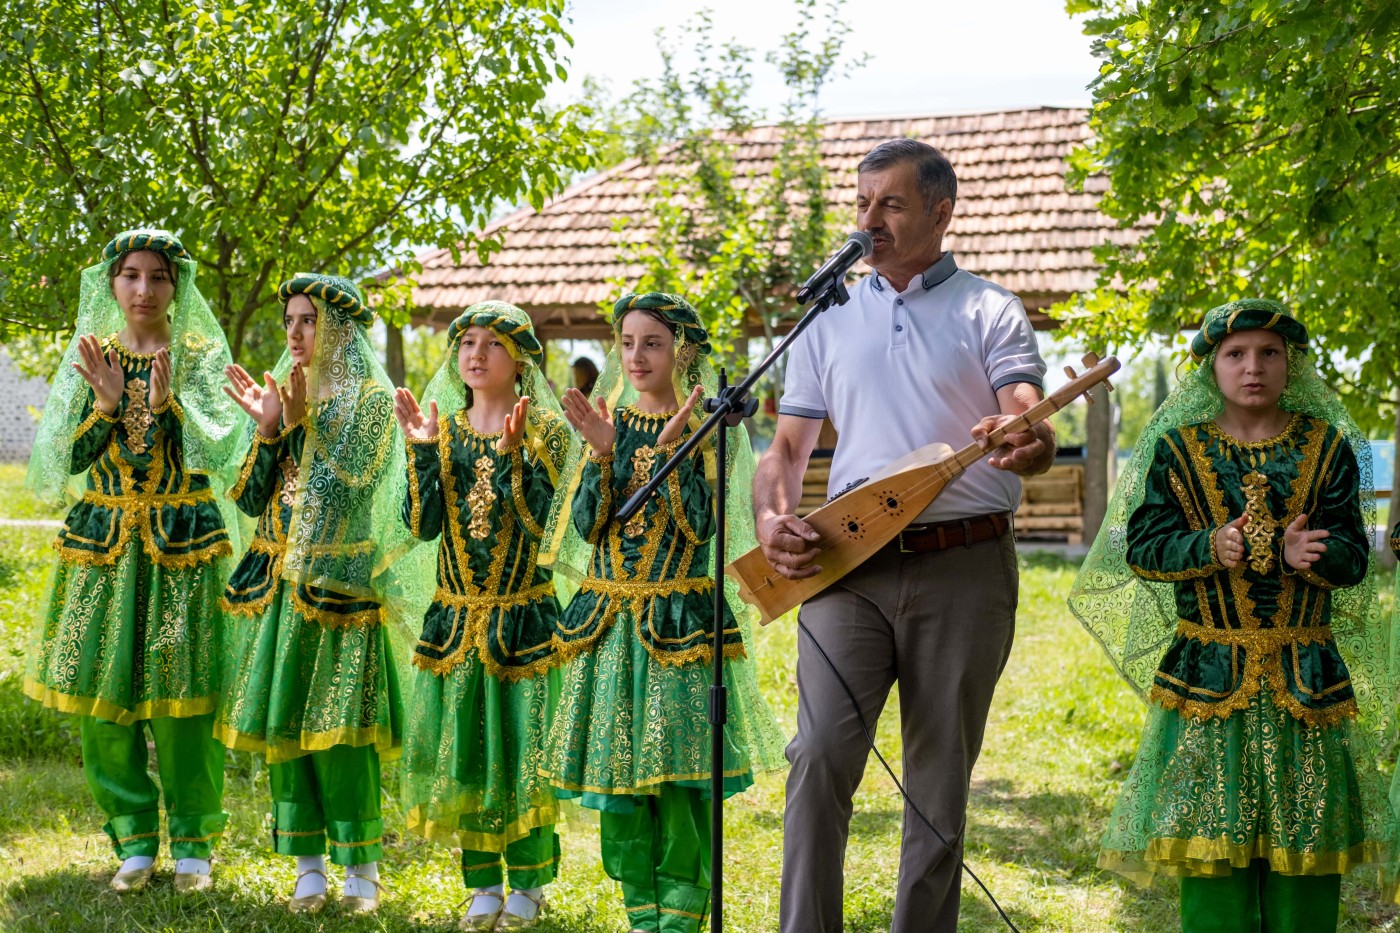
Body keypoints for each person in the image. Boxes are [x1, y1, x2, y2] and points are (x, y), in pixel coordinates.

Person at [752, 139, 1054, 932]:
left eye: (889, 202)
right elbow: (786, 449)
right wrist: (773, 518)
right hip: (846, 562)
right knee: (817, 754)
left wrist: (1029, 437)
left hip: (965, 564)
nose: (869, 218)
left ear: (940, 212)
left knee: (937, 782)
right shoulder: (828, 317)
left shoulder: (990, 307)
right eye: (861, 202)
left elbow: (1027, 412)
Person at [1068, 300, 1400, 931]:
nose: (1254, 368)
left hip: (1307, 678)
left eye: (1269, 353)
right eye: (1236, 354)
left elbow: (1357, 555)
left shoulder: (1327, 446)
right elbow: (1141, 546)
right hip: (1207, 678)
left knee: (1308, 850)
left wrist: (1313, 555)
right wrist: (1208, 547)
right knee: (1211, 849)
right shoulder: (1176, 450)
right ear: (1211, 367)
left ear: (1290, 364)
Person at [539, 292, 786, 933]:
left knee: (679, 780)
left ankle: (679, 922)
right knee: (619, 781)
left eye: (652, 343)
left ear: (683, 351)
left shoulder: (708, 429)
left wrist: (666, 451)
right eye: (627, 343)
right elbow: (590, 526)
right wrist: (601, 451)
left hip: (677, 624)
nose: (637, 355)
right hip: (611, 626)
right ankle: (641, 919)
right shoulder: (605, 420)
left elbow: (702, 526)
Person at [23, 229, 242, 893]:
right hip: (103, 546)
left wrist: (170, 403)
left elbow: (225, 445)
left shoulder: (200, 355)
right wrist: (109, 404)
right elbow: (64, 455)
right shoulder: (91, 355)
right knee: (102, 700)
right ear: (112, 284)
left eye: (158, 276)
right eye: (131, 276)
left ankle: (196, 846)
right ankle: (136, 842)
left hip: (184, 543)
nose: (144, 289)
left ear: (177, 287)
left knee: (186, 698)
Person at [214, 273, 428, 913]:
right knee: (285, 725)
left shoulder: (370, 398)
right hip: (282, 590)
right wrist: (271, 427)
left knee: (342, 732)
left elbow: (351, 489)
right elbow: (251, 497)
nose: (296, 333)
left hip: (342, 592)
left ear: (340, 327)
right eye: (290, 322)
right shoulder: (282, 393)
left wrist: (306, 428)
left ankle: (361, 867)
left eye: (309, 320)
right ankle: (307, 864)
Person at [394, 301, 571, 930]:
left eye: (492, 344)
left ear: (520, 359)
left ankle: (527, 883)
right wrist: (418, 452)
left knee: (524, 751)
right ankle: (481, 886)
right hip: (455, 623)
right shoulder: (442, 431)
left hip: (523, 621)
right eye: (466, 342)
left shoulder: (548, 433)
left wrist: (520, 458)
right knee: (463, 751)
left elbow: (552, 532)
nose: (475, 354)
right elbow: (420, 527)